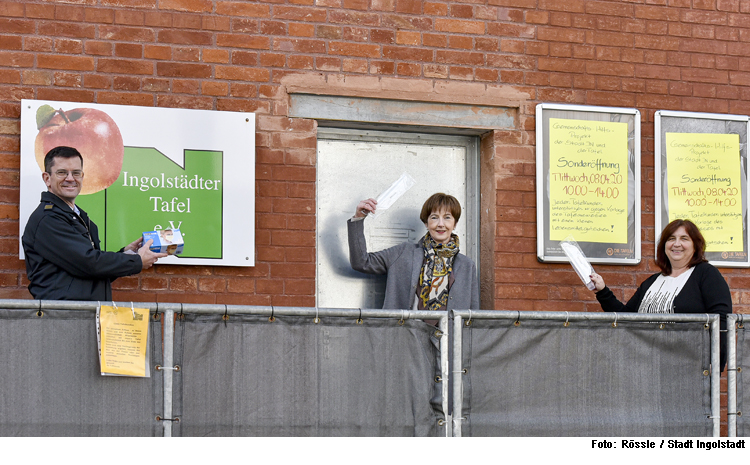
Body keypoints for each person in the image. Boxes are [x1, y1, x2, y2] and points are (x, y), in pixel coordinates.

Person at [22, 146, 167, 301]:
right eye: (62, 172)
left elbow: (92, 271)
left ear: (82, 177)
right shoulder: (48, 219)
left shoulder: (76, 216)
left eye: (76, 173)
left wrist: (128, 254)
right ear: (47, 178)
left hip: (82, 315)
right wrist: (136, 261)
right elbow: (88, 263)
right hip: (64, 317)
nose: (70, 178)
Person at [589, 219, 732, 370]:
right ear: (664, 246)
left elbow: (721, 320)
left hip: (689, 371)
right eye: (671, 239)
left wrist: (715, 364)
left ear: (695, 246)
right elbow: (627, 318)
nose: (677, 244)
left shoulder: (706, 274)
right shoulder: (652, 282)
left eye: (684, 239)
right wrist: (602, 291)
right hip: (647, 368)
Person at [347, 192, 480, 312]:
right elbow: (361, 262)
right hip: (404, 335)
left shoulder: (467, 265)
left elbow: (473, 315)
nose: (440, 224)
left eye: (447, 217)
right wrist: (358, 218)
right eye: (434, 217)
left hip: (449, 337)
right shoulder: (403, 253)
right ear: (426, 223)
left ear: (455, 224)